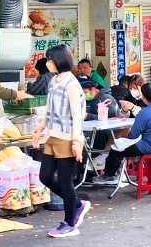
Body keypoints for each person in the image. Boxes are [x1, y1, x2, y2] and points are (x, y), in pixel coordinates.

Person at [31, 45, 89, 238]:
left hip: (68, 138)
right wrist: (40, 128)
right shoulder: (54, 80)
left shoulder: (72, 84)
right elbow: (49, 109)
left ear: (58, 61)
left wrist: (76, 141)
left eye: (49, 59)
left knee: (65, 182)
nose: (47, 62)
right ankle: (77, 204)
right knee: (45, 176)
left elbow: (77, 116)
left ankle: (70, 223)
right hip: (53, 136)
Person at [95, 82, 151, 185]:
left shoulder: (144, 113)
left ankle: (109, 176)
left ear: (144, 96)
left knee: (117, 148)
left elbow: (133, 135)